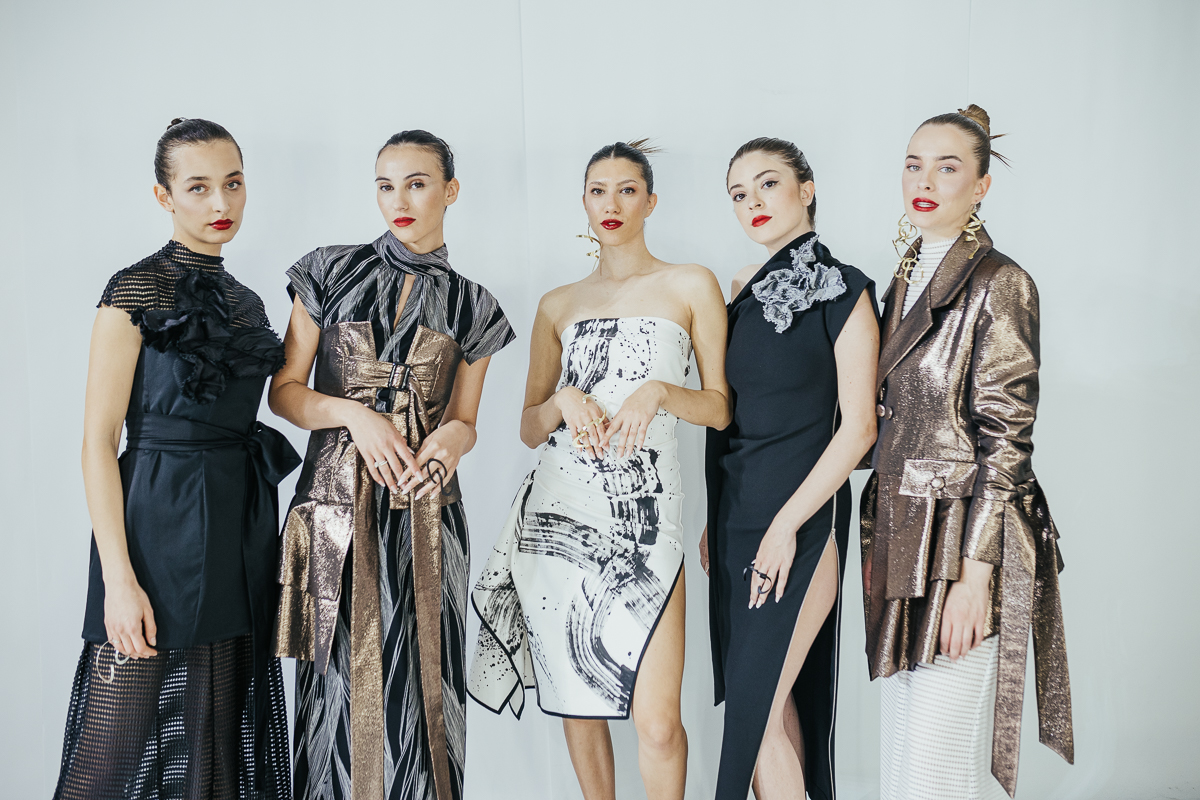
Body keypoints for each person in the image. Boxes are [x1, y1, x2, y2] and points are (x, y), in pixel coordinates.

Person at [469, 141, 730, 800]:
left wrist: (660, 393)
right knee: (579, 700)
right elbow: (529, 427)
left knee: (659, 725)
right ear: (583, 202)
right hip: (562, 508)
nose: (611, 204)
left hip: (648, 517)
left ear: (651, 201)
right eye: (597, 190)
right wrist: (562, 399)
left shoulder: (691, 284)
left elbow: (721, 408)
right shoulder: (558, 303)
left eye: (626, 190)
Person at [54, 118, 299, 799]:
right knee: (109, 754)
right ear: (163, 197)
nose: (221, 203)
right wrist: (119, 580)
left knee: (215, 751)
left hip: (239, 529)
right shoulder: (133, 290)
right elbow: (98, 442)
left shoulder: (247, 303)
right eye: (198, 187)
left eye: (233, 184)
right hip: (155, 526)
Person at [270, 129, 514, 800]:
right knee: (332, 699)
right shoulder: (328, 271)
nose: (399, 200)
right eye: (386, 185)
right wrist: (356, 416)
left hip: (425, 513)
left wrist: (451, 442)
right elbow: (284, 392)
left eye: (417, 183)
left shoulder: (475, 306)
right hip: (333, 513)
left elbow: (466, 420)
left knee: (425, 693)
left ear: (450, 190)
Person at [861, 104, 1074, 799]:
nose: (924, 181)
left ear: (981, 186)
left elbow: (1007, 439)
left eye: (947, 167)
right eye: (913, 164)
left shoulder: (999, 281)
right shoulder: (904, 277)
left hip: (962, 537)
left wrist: (975, 577)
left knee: (937, 762)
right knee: (903, 754)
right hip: (903, 533)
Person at [701, 138, 879, 800]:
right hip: (737, 522)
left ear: (806, 189)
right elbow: (730, 416)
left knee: (755, 718)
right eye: (738, 193)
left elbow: (859, 428)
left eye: (768, 183)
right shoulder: (739, 290)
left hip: (799, 523)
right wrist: (715, 519)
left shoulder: (848, 290)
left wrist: (784, 527)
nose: (752, 201)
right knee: (770, 708)